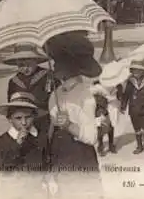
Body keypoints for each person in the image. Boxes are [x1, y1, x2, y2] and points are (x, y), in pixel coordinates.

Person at [44, 31, 103, 198]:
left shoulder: (85, 95)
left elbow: (92, 137)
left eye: (59, 61)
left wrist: (69, 125)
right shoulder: (54, 95)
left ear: (71, 65)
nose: (54, 66)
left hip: (80, 159)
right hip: (59, 159)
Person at [0, 91, 51, 199]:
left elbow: (46, 161)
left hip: (37, 190)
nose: (24, 122)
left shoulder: (41, 137)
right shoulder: (3, 140)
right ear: (10, 119)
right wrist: (17, 144)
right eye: (18, 118)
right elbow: (1, 166)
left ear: (34, 116)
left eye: (28, 117)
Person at [4, 44, 57, 145]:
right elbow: (11, 106)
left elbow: (58, 100)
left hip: (46, 121)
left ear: (36, 61)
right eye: (21, 65)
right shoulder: (14, 82)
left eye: (29, 64)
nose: (25, 68)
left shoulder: (48, 76)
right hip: (24, 123)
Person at [120, 63, 144, 155]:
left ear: (143, 72)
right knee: (136, 128)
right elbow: (126, 95)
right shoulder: (130, 82)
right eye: (134, 70)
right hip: (133, 109)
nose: (135, 72)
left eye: (138, 71)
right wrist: (123, 106)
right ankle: (139, 146)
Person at [90, 80, 117, 156]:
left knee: (102, 130)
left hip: (99, 114)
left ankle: (102, 147)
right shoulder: (98, 96)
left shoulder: (94, 96)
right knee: (108, 129)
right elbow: (104, 103)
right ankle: (106, 147)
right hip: (100, 114)